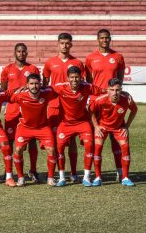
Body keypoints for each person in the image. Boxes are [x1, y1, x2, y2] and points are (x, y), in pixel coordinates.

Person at [42, 33, 86, 182]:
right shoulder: (50, 63)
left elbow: (83, 84)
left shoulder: (78, 63)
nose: (65, 46)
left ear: (71, 44)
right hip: (55, 106)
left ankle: (73, 173)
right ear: (58, 44)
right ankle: (55, 173)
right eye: (62, 43)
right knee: (55, 141)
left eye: (67, 43)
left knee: (72, 140)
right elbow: (45, 84)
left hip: (71, 107)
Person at [53, 66, 106, 187]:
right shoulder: (60, 87)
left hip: (82, 122)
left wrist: (113, 90)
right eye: (72, 77)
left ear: (81, 77)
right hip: (66, 123)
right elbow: (44, 89)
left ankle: (86, 177)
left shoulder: (87, 87)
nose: (74, 79)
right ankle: (62, 178)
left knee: (89, 145)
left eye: (77, 77)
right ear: (68, 78)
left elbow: (102, 91)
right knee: (59, 147)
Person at [85, 29, 126, 181]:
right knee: (97, 139)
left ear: (110, 39)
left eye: (107, 38)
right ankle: (95, 175)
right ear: (97, 39)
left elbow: (120, 80)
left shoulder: (118, 57)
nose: (105, 40)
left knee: (116, 139)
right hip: (97, 103)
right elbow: (89, 82)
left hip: (113, 102)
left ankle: (120, 171)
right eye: (102, 38)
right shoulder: (90, 58)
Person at [0, 43, 40, 183]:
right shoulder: (7, 69)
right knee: (10, 141)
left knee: (32, 139)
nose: (21, 53)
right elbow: (5, 89)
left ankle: (33, 170)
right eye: (19, 51)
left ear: (26, 53)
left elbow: (38, 87)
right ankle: (9, 170)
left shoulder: (33, 68)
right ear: (15, 53)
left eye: (23, 51)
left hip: (29, 109)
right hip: (12, 110)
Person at [10, 74, 57, 187]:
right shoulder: (20, 96)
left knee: (51, 150)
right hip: (25, 127)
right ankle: (21, 177)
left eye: (36, 83)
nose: (34, 86)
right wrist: (18, 90)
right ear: (27, 85)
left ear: (40, 84)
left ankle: (50, 178)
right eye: (31, 84)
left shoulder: (47, 93)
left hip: (42, 127)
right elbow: (10, 98)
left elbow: (57, 90)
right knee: (18, 149)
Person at [89, 78, 137, 186]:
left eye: (117, 90)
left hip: (119, 128)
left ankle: (125, 178)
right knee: (97, 147)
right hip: (103, 127)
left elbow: (134, 110)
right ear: (107, 90)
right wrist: (96, 126)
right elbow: (91, 112)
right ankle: (98, 177)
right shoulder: (100, 100)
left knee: (125, 146)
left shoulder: (126, 98)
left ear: (121, 89)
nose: (114, 93)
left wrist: (127, 126)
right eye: (112, 90)